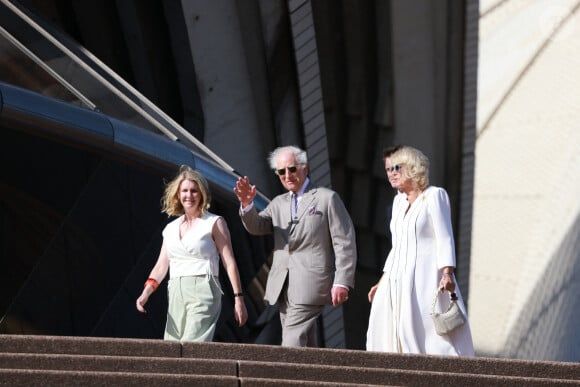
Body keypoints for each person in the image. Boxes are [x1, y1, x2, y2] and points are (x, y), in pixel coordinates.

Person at [233, 145, 357, 347]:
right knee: (305, 341)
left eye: (292, 169)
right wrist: (247, 205)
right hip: (283, 283)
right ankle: (313, 377)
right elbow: (258, 226)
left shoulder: (326, 198)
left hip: (311, 280)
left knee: (291, 338)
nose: (287, 175)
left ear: (304, 168)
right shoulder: (278, 202)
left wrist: (342, 280)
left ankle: (284, 376)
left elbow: (344, 241)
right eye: (281, 171)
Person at [366, 146, 474, 355]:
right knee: (387, 322)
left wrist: (447, 272)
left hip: (425, 276)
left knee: (427, 328)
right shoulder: (398, 202)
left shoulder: (434, 196)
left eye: (397, 168)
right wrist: (382, 280)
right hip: (396, 277)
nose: (391, 173)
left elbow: (444, 236)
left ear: (413, 168)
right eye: (389, 170)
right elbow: (397, 246)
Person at [136, 165, 247, 341]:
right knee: (172, 348)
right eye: (185, 191)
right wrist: (146, 293)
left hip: (204, 287)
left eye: (194, 191)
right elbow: (161, 266)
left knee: (191, 346)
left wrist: (238, 298)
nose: (189, 195)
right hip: (175, 291)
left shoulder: (214, 222)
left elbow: (229, 262)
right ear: (178, 195)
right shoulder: (170, 229)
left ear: (202, 193)